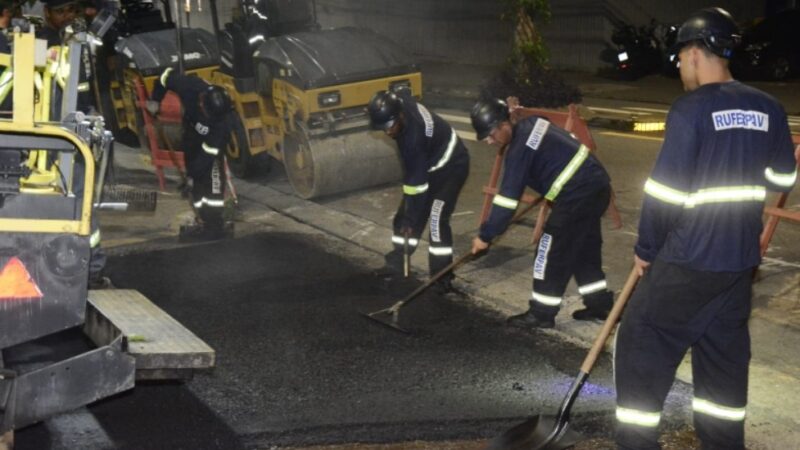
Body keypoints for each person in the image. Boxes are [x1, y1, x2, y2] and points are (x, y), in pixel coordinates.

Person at [614, 8, 797, 450]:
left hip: (688, 259)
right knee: (722, 360)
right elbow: (782, 180)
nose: (679, 68)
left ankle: (637, 443)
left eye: (681, 59)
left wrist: (646, 248)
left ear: (696, 53)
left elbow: (665, 193)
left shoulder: (690, 109)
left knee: (641, 339)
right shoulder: (769, 106)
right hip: (737, 265)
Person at [469, 98, 614, 329]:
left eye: (490, 134)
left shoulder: (518, 151)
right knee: (583, 248)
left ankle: (541, 313)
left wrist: (485, 236)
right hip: (597, 187)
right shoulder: (533, 123)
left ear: (504, 124)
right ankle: (600, 304)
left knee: (548, 252)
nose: (489, 141)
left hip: (576, 196)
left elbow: (506, 202)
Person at [367, 87, 470, 293]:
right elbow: (403, 91)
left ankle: (441, 276)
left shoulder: (413, 138)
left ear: (400, 116)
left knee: (436, 219)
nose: (388, 132)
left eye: (390, 126)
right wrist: (408, 218)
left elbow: (417, 186)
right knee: (404, 215)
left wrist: (411, 219)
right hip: (428, 164)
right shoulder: (400, 103)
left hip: (452, 166)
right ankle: (399, 259)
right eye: (383, 127)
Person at [147, 68, 234, 242]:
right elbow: (165, 77)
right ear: (202, 103)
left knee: (212, 181)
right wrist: (156, 99)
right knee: (197, 186)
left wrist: (192, 175)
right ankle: (202, 217)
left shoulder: (221, 122)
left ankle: (214, 223)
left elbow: (208, 155)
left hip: (210, 148)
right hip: (191, 138)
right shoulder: (191, 88)